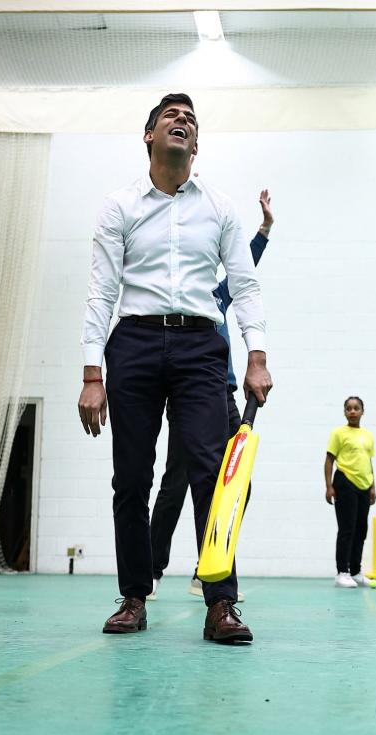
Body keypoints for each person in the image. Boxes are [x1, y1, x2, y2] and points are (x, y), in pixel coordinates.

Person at [77, 93, 273, 644]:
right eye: (171, 116)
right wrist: (93, 374)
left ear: (196, 143)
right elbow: (101, 291)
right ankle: (134, 598)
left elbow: (245, 284)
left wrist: (256, 356)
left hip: (199, 347)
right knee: (132, 478)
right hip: (133, 344)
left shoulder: (221, 207)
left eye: (190, 119)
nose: (182, 121)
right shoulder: (119, 207)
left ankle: (222, 604)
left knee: (213, 477)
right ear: (149, 136)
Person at [148, 190, 274, 602]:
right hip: (186, 396)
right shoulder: (181, 303)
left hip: (222, 396)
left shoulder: (217, 298)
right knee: (177, 483)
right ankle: (152, 567)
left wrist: (264, 230)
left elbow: (246, 265)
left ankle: (210, 565)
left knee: (239, 484)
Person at [324, 396, 375, 588]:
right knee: (347, 529)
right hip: (345, 482)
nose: (352, 411)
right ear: (344, 412)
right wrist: (329, 486)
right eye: (348, 408)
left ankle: (355, 571)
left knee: (361, 530)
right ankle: (342, 572)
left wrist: (373, 486)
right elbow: (329, 459)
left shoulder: (368, 435)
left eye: (356, 408)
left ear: (362, 411)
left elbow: (368, 461)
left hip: (364, 485)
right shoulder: (338, 433)